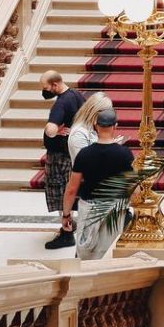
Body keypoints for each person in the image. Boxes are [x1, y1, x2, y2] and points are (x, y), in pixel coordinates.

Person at [56, 105, 135, 259]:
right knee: (108, 253)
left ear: (95, 126)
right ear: (115, 127)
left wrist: (66, 216)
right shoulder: (124, 154)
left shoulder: (85, 154)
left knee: (86, 252)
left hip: (89, 208)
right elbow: (133, 186)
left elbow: (72, 189)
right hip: (114, 208)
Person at [38, 71, 85, 225]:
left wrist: (52, 130)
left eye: (46, 87)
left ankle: (67, 227)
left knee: (60, 192)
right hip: (72, 151)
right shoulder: (76, 95)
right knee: (70, 189)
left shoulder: (60, 104)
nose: (44, 91)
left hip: (59, 155)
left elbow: (51, 130)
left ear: (55, 85)